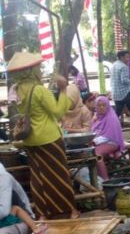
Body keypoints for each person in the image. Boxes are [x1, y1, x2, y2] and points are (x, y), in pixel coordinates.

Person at [9, 52, 79, 219]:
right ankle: (70, 210)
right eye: (37, 67)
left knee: (38, 176)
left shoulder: (16, 90)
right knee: (59, 174)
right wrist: (63, 90)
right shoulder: (39, 90)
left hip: (29, 139)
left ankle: (42, 214)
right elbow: (57, 112)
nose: (40, 70)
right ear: (31, 70)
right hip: (49, 138)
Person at [92, 96, 126, 180]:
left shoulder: (111, 118)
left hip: (112, 142)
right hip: (101, 142)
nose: (101, 107)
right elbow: (93, 131)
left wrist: (94, 141)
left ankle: (105, 179)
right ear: (96, 107)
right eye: (99, 106)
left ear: (108, 105)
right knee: (88, 152)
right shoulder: (98, 117)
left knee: (96, 154)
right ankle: (96, 177)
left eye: (104, 105)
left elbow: (108, 136)